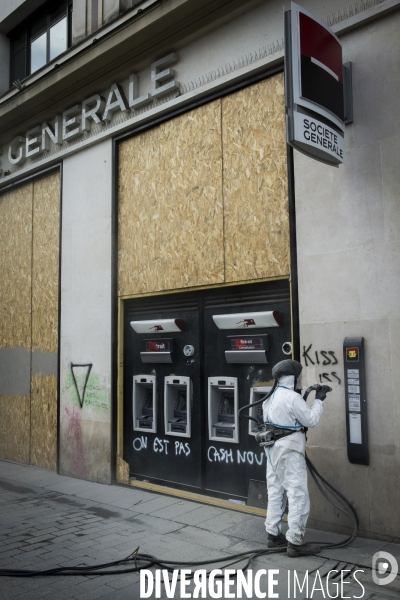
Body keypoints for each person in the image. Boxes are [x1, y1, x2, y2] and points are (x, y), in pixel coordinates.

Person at [256, 359, 330, 558]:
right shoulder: (291, 397)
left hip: (272, 450)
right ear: (294, 377)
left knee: (275, 491)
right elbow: (311, 420)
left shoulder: (269, 398)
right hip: (289, 450)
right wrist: (319, 399)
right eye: (299, 376)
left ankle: (273, 535)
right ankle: (296, 541)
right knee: (298, 495)